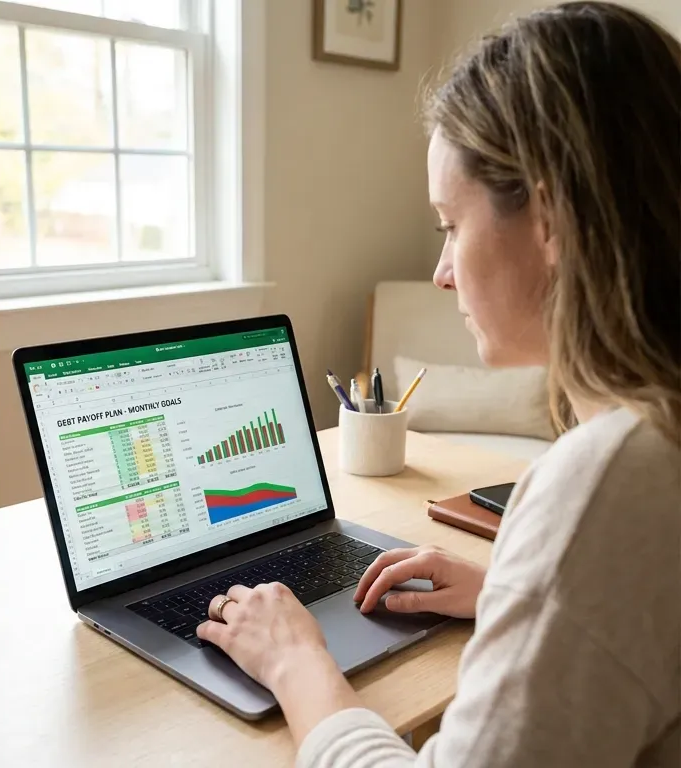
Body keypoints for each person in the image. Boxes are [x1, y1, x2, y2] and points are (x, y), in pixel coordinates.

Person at [196, 3, 680, 765]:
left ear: (550, 216)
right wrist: (515, 596)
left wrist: (296, 662)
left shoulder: (612, 477)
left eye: (449, 225)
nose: (441, 272)